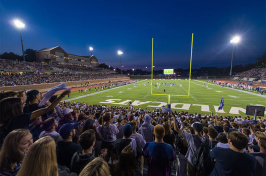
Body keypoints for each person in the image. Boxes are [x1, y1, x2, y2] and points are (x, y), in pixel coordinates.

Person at [0, 89, 70, 146]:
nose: (24, 103)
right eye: (22, 103)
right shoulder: (19, 118)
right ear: (15, 108)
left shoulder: (9, 120)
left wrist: (33, 124)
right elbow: (47, 109)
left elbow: (21, 129)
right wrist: (62, 95)